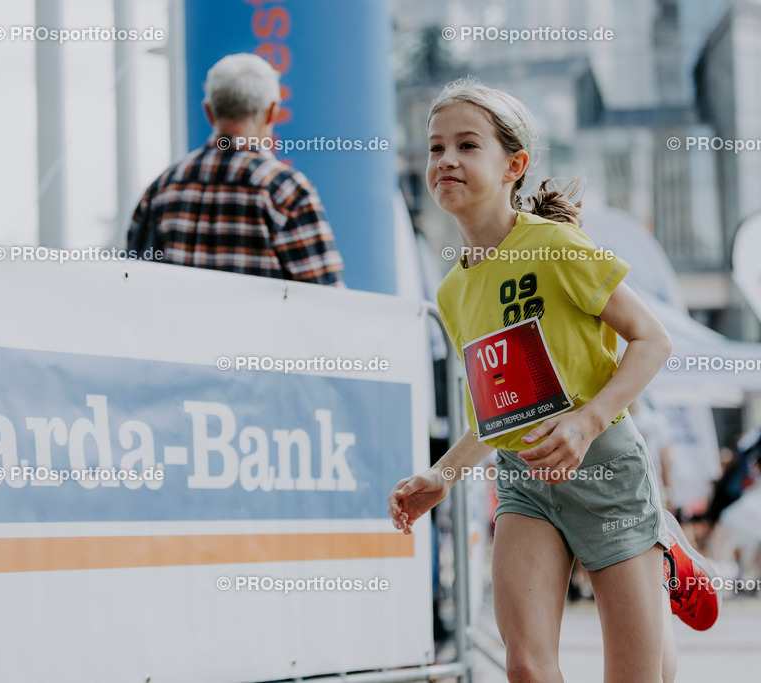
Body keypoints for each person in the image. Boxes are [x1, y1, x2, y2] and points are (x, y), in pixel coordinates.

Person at [387, 78, 720, 683]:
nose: (446, 161)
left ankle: (655, 553)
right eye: (436, 149)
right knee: (526, 669)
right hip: (524, 480)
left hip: (605, 468)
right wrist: (441, 475)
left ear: (514, 165)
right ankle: (655, 562)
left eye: (467, 145)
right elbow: (497, 412)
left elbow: (653, 340)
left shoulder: (556, 247)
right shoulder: (452, 290)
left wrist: (588, 420)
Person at [126, 53, 344, 286]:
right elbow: (327, 299)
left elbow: (132, 280)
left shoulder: (162, 189)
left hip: (178, 323)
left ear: (208, 112)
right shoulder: (287, 192)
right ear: (272, 112)